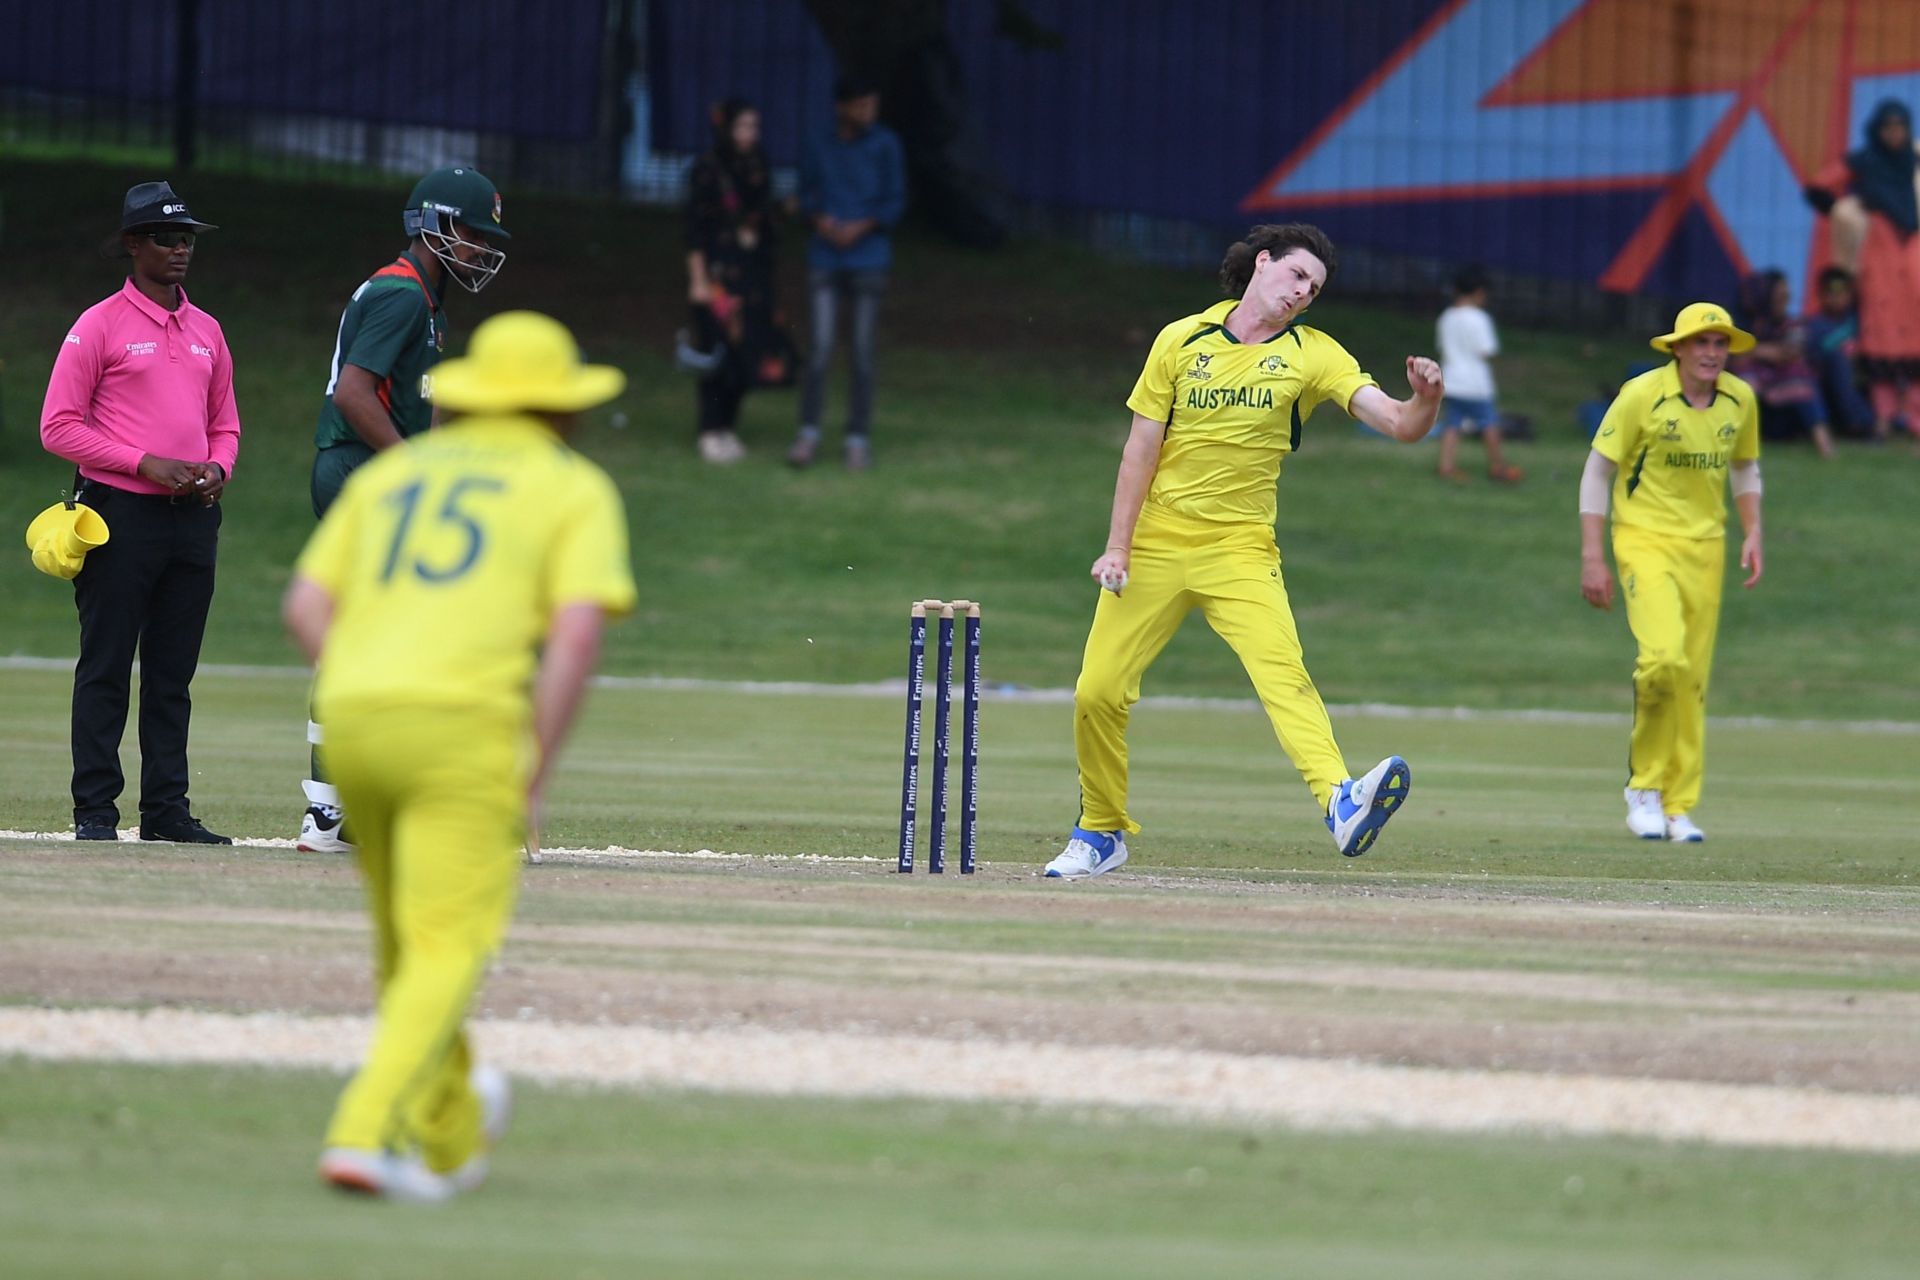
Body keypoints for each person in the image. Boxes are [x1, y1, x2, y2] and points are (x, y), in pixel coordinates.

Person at [283, 310, 636, 1201]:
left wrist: (370, 670)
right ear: (559, 410)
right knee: (446, 949)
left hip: (356, 722)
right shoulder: (572, 487)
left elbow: (305, 609)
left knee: (407, 947)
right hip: (463, 729)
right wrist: (536, 770)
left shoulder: (400, 475)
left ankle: (450, 1132)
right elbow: (576, 639)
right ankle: (364, 1133)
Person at [1045, 223, 1437, 880]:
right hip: (1157, 542)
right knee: (1097, 692)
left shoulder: (1313, 354)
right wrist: (1118, 547)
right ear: (1263, 263)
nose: (1302, 293)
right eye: (1296, 275)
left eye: (1313, 288)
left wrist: (1426, 400)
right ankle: (1100, 831)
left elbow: (1398, 424)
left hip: (1240, 550)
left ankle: (1340, 800)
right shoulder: (1182, 338)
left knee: (1283, 675)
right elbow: (1140, 449)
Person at [297, 166, 510, 855]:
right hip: (360, 471)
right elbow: (354, 394)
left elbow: (428, 410)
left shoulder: (427, 302)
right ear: (435, 224)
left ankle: (359, 800)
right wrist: (414, 471)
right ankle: (329, 810)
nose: (479, 248)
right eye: (472, 232)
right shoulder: (399, 295)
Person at [38, 181, 239, 845]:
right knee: (106, 666)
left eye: (185, 239)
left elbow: (225, 425)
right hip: (121, 515)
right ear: (132, 244)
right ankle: (96, 810)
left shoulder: (207, 330)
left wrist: (218, 468)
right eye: (164, 237)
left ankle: (166, 811)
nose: (179, 249)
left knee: (172, 675)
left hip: (192, 518)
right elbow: (58, 426)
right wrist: (141, 462)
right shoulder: (100, 325)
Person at [1578, 303, 1763, 844]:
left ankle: (1678, 805)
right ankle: (1644, 787)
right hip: (1644, 540)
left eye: (1720, 344)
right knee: (1662, 660)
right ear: (1677, 348)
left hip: (1706, 548)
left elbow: (1746, 466)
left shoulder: (1739, 398)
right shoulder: (1643, 395)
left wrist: (1753, 531)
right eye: (1701, 343)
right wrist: (1593, 556)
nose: (1711, 353)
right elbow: (1597, 471)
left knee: (1692, 680)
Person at [785, 74, 906, 472]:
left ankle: (857, 437)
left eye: (872, 105)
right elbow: (803, 193)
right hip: (826, 256)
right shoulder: (820, 142)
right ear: (842, 107)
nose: (868, 113)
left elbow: (895, 200)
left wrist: (864, 225)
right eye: (861, 105)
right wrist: (818, 219)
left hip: (868, 256)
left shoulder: (885, 144)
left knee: (862, 352)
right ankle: (808, 432)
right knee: (819, 349)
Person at [1805, 99, 1920, 444]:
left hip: (1913, 249)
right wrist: (1847, 210)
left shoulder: (1914, 161)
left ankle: (1914, 420)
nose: (1894, 134)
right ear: (1877, 129)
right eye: (1888, 127)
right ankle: (1883, 419)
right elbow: (1819, 188)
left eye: (1900, 127)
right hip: (1879, 251)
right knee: (1880, 336)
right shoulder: (1865, 161)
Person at [685, 98, 788, 464]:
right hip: (717, 278)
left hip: (752, 276)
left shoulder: (757, 165)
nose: (749, 134)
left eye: (754, 127)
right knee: (717, 355)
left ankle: (728, 426)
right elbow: (694, 230)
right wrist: (697, 280)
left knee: (749, 352)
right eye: (742, 126)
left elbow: (765, 215)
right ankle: (710, 429)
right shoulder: (707, 169)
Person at [1732, 269, 1837, 458]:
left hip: (1786, 400)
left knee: (1800, 375)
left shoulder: (1792, 324)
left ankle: (1824, 446)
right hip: (1760, 401)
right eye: (1779, 294)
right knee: (1744, 379)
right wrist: (1765, 352)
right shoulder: (1748, 323)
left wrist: (1755, 350)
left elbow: (1790, 354)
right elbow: (1736, 355)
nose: (1786, 298)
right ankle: (1735, 444)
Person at [1434, 265, 1523, 483]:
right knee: (1489, 423)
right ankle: (1498, 466)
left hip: (1451, 380)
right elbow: (1487, 351)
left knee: (1452, 424)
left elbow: (1442, 347)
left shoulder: (1446, 317)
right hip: (1475, 384)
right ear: (1480, 293)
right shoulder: (1479, 319)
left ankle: (1446, 467)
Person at [1803, 264, 1877, 438]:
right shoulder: (1815, 325)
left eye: (1841, 294)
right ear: (1821, 296)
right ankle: (1861, 424)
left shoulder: (1860, 319)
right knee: (1838, 361)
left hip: (1862, 371)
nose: (1836, 299)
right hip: (1831, 380)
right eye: (1831, 294)